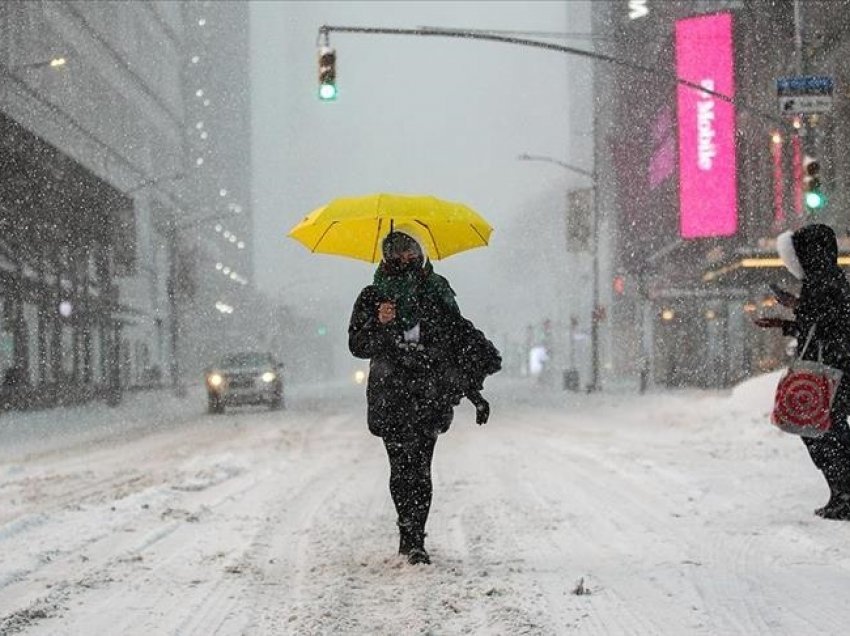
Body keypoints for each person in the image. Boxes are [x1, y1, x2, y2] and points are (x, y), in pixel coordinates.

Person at [348, 230, 501, 564]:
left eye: (411, 252)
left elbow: (456, 339)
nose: (407, 259)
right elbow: (358, 345)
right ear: (387, 258)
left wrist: (473, 388)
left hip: (428, 395)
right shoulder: (373, 297)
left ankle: (416, 539)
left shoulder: (436, 292)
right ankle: (406, 531)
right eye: (399, 254)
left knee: (421, 469)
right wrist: (378, 321)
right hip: (390, 396)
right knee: (400, 469)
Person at [755, 224, 850, 520]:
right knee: (826, 430)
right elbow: (823, 322)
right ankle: (841, 493)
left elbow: (826, 326)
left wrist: (795, 312)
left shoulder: (824, 283)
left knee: (823, 431)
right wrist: (790, 316)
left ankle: (843, 493)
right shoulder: (829, 281)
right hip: (834, 369)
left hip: (830, 372)